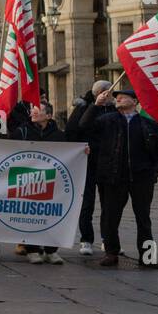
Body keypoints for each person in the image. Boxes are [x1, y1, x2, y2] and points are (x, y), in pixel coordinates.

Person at [78, 87, 158, 269]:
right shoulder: (107, 120)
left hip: (142, 178)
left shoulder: (148, 124)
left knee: (143, 218)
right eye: (116, 97)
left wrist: (154, 172)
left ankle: (147, 257)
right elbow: (83, 126)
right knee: (110, 217)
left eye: (123, 97)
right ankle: (111, 253)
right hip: (113, 177)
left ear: (135, 102)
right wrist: (95, 106)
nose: (118, 99)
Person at [10, 101, 65, 264]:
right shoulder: (22, 131)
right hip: (27, 180)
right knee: (30, 215)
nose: (33, 112)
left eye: (38, 109)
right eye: (32, 109)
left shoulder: (59, 135)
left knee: (51, 215)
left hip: (51, 180)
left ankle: (51, 250)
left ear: (48, 115)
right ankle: (32, 249)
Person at [67, 79, 114, 256]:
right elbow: (75, 129)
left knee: (108, 204)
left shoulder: (113, 109)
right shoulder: (83, 107)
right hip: (87, 162)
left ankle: (107, 239)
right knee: (87, 202)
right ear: (100, 92)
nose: (112, 95)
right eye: (109, 91)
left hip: (108, 162)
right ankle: (86, 239)